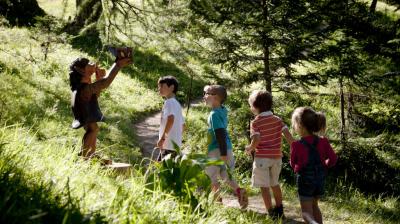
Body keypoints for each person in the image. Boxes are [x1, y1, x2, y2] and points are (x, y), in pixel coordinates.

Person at [69, 57, 132, 163]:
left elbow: (96, 94)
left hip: (86, 110)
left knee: (94, 129)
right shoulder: (83, 88)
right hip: (84, 112)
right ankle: (84, 156)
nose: (93, 64)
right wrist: (117, 65)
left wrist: (98, 78)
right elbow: (105, 83)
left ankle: (90, 154)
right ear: (80, 70)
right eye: (88, 64)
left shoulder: (85, 87)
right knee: (92, 129)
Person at [245, 90, 294, 219]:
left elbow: (256, 140)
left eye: (251, 105)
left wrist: (250, 148)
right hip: (277, 158)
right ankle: (280, 210)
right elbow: (288, 135)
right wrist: (295, 148)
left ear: (255, 107)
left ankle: (271, 213)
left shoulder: (256, 122)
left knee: (264, 187)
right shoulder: (277, 120)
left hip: (262, 158)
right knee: (275, 183)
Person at [203, 85, 248, 209]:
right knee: (226, 175)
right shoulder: (223, 110)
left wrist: (222, 153)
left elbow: (220, 133)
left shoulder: (213, 114)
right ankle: (239, 191)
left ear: (216, 98)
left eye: (207, 93)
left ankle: (217, 201)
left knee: (210, 175)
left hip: (217, 150)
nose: (204, 96)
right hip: (227, 148)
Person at [290, 107, 337, 224]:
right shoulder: (323, 141)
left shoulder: (296, 145)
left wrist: (297, 168)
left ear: (300, 125)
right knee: (315, 206)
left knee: (306, 212)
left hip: (305, 181)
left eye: (294, 124)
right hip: (319, 180)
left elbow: (293, 164)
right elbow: (333, 159)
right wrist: (325, 165)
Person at [156, 76, 185, 161]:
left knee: (159, 171)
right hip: (175, 145)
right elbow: (183, 126)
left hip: (167, 145)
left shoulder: (168, 102)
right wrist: (175, 137)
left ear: (172, 87)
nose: (159, 88)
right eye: (159, 86)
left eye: (162, 86)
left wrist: (163, 139)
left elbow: (171, 119)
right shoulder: (177, 104)